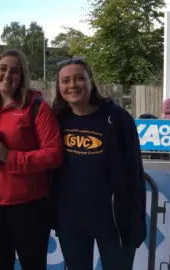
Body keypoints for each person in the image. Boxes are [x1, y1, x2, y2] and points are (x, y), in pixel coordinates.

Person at [50, 57, 146, 270]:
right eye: (65, 81)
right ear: (59, 87)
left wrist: (136, 220)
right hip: (71, 222)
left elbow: (134, 173)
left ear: (91, 82)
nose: (72, 85)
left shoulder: (118, 118)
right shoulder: (57, 119)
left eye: (79, 79)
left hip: (113, 223)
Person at [0, 49, 63, 269]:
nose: (8, 75)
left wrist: (10, 157)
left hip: (29, 208)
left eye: (15, 71)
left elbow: (54, 154)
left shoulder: (37, 107)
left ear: (23, 75)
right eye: (3, 69)